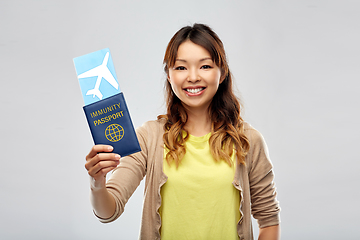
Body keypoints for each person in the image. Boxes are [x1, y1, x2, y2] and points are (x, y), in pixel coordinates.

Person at [85, 23, 280, 240]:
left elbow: (269, 220)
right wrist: (97, 182)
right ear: (169, 75)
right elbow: (109, 210)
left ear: (222, 72)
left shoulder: (249, 140)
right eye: (181, 67)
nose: (193, 77)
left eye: (205, 66)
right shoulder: (148, 137)